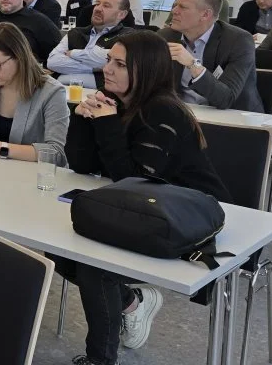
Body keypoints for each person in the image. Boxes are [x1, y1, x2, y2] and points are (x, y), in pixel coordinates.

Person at [61, 31, 230, 365]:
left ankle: (100, 359)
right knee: (56, 244)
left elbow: (134, 181)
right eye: (109, 59)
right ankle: (131, 302)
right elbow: (83, 166)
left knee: (96, 266)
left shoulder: (164, 112)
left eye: (120, 64)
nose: (107, 69)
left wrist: (106, 125)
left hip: (190, 218)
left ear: (147, 71)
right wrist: (82, 119)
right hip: (145, 209)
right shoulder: (120, 104)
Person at [0, 22, 69, 161]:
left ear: (19, 57)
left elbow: (55, 153)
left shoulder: (52, 92)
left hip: (34, 176)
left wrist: (0, 148)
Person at [159, 0, 262, 112]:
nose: (174, 11)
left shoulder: (238, 41)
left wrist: (192, 64)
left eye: (183, 7)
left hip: (233, 119)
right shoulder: (166, 36)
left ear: (205, 14)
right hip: (182, 114)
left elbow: (226, 99)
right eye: (175, 5)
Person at [48, 0, 135, 88]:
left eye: (106, 6)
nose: (97, 9)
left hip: (101, 95)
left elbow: (106, 59)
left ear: (121, 14)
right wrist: (94, 68)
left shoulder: (128, 36)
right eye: (97, 4)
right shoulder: (76, 33)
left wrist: (73, 54)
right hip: (62, 91)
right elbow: (53, 62)